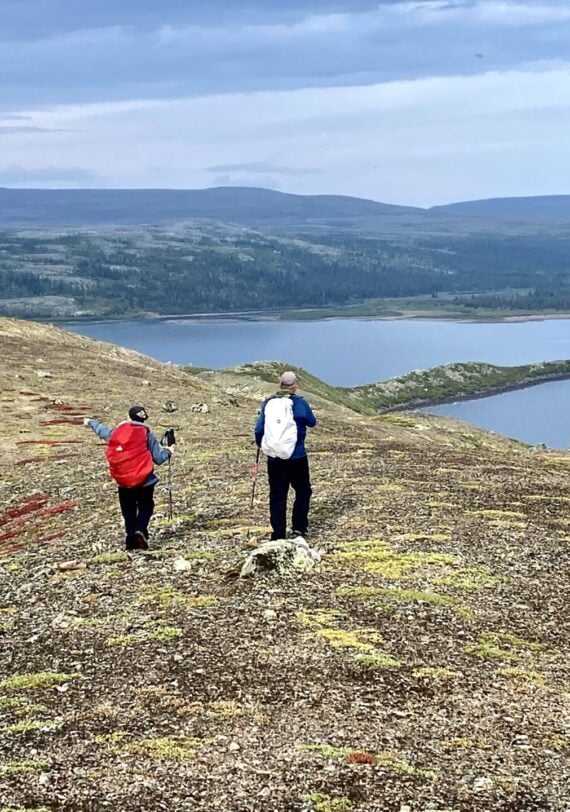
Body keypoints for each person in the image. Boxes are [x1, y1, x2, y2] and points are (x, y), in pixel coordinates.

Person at [84, 405, 173, 550]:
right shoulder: (145, 433)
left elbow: (102, 431)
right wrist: (169, 451)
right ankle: (140, 531)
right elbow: (158, 457)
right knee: (146, 506)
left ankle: (131, 540)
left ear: (129, 417)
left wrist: (90, 422)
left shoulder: (117, 431)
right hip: (144, 480)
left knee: (128, 511)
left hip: (123, 480)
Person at [255, 371, 316, 541]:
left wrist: (262, 444)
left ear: (280, 384)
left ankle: (278, 534)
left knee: (277, 495)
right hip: (297, 456)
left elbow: (259, 429)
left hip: (274, 457)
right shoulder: (299, 403)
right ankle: (299, 527)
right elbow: (312, 422)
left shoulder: (268, 403)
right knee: (303, 490)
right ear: (294, 385)